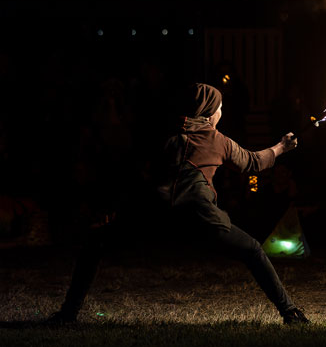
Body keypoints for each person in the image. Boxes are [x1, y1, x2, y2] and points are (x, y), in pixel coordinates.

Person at [49, 83, 309, 325]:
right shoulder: (215, 139)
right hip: (198, 217)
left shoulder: (162, 131)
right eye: (219, 108)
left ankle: (68, 313)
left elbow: (130, 167)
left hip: (152, 214)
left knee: (96, 243)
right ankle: (289, 312)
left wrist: (117, 209)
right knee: (253, 249)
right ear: (209, 114)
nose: (221, 113)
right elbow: (252, 162)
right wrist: (281, 148)